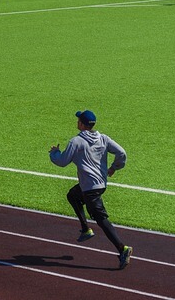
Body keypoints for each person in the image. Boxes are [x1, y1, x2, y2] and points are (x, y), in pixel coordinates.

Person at [48, 110, 133, 269]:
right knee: (73, 196)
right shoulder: (103, 138)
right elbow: (122, 153)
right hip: (99, 185)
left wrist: (54, 153)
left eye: (78, 120)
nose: (77, 122)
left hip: (90, 189)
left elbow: (62, 161)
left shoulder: (76, 142)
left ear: (81, 124)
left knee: (101, 219)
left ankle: (123, 249)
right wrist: (114, 167)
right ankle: (86, 229)